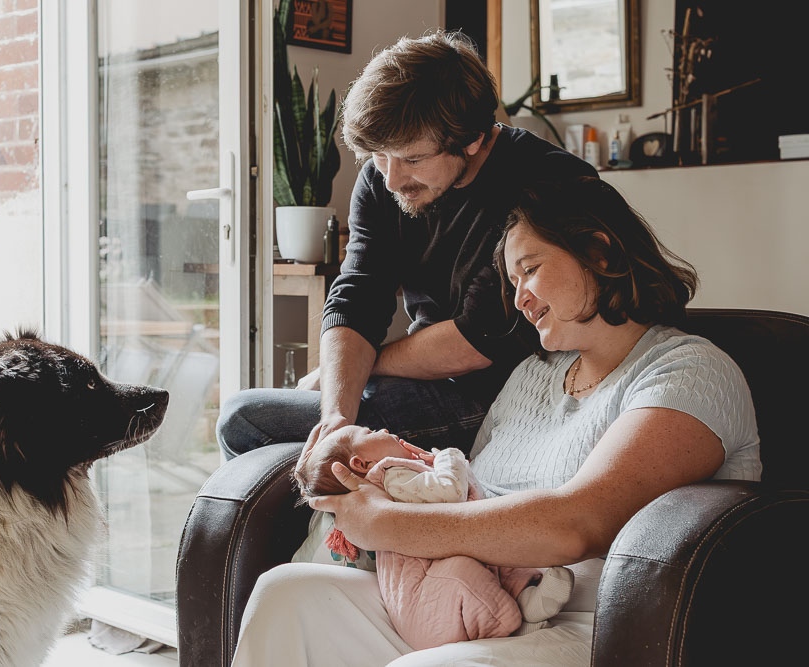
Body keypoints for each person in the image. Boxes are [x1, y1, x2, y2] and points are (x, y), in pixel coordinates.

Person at [230, 177, 761, 666]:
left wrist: (386, 522)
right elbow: (473, 492)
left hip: (599, 622)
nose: (519, 297)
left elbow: (578, 524)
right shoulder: (532, 373)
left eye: (530, 269)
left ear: (599, 251)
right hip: (478, 598)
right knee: (286, 596)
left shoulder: (689, 369)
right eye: (512, 280)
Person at [216, 29, 596, 462]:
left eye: (413, 159)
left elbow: (477, 341)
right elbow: (358, 291)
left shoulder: (547, 183)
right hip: (424, 379)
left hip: (505, 394)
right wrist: (337, 416)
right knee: (310, 423)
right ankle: (332, 526)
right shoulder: (385, 181)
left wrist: (360, 364)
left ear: (472, 139)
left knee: (243, 419)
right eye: (379, 155)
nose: (392, 179)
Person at [293, 424, 575, 650]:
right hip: (425, 603)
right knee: (462, 572)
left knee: (500, 563)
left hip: (444, 594)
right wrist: (448, 456)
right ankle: (510, 624)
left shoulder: (400, 477)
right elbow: (449, 492)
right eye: (368, 433)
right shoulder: (391, 476)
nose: (380, 430)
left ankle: (530, 603)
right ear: (362, 463)